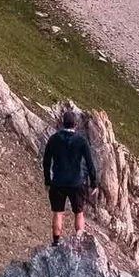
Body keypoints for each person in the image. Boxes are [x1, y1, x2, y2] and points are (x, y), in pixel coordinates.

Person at [41, 103, 98, 245]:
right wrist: (94, 183)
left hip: (58, 182)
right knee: (79, 213)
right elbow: (90, 163)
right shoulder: (81, 141)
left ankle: (56, 242)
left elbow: (46, 161)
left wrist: (48, 181)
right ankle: (79, 242)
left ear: (62, 124)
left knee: (58, 213)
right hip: (76, 182)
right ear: (75, 125)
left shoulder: (53, 139)